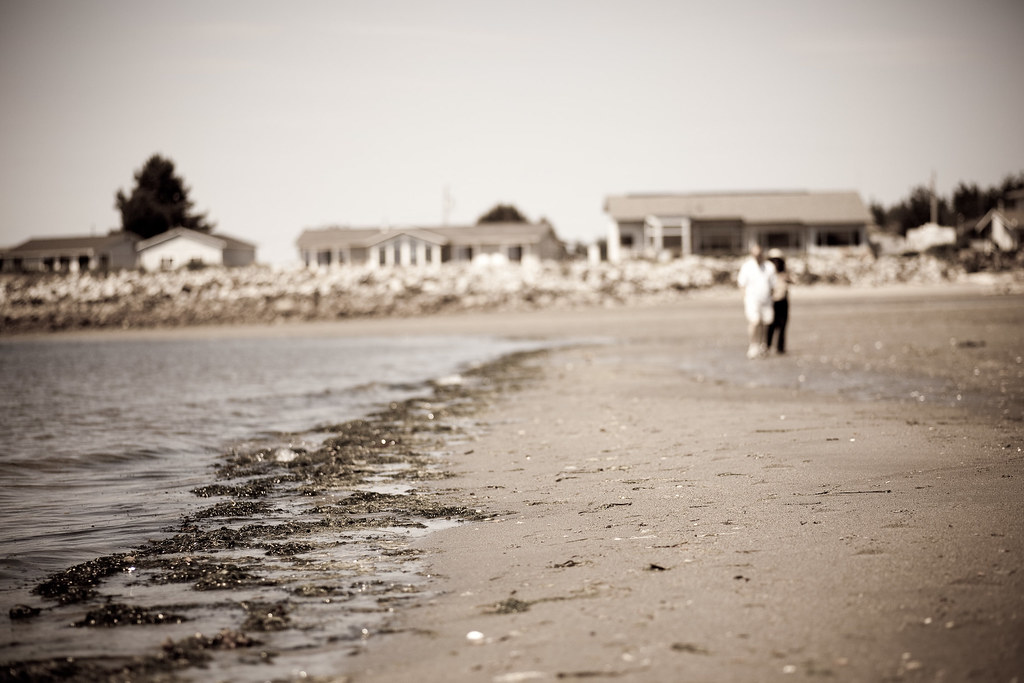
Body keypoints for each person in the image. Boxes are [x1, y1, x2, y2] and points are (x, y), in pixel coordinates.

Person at [737, 244, 776, 359]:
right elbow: (741, 284)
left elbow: (773, 285)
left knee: (765, 323)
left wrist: (771, 297)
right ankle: (753, 345)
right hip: (752, 299)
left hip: (766, 299)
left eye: (759, 254)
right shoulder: (747, 266)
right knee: (755, 321)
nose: (757, 257)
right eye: (755, 255)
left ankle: (763, 345)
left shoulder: (769, 266)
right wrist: (744, 298)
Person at [766, 248, 790, 354]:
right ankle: (767, 345)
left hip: (783, 301)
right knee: (770, 324)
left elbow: (792, 281)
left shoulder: (784, 273)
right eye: (773, 260)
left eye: (777, 260)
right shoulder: (767, 273)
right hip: (771, 301)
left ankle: (780, 348)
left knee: (783, 324)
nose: (775, 263)